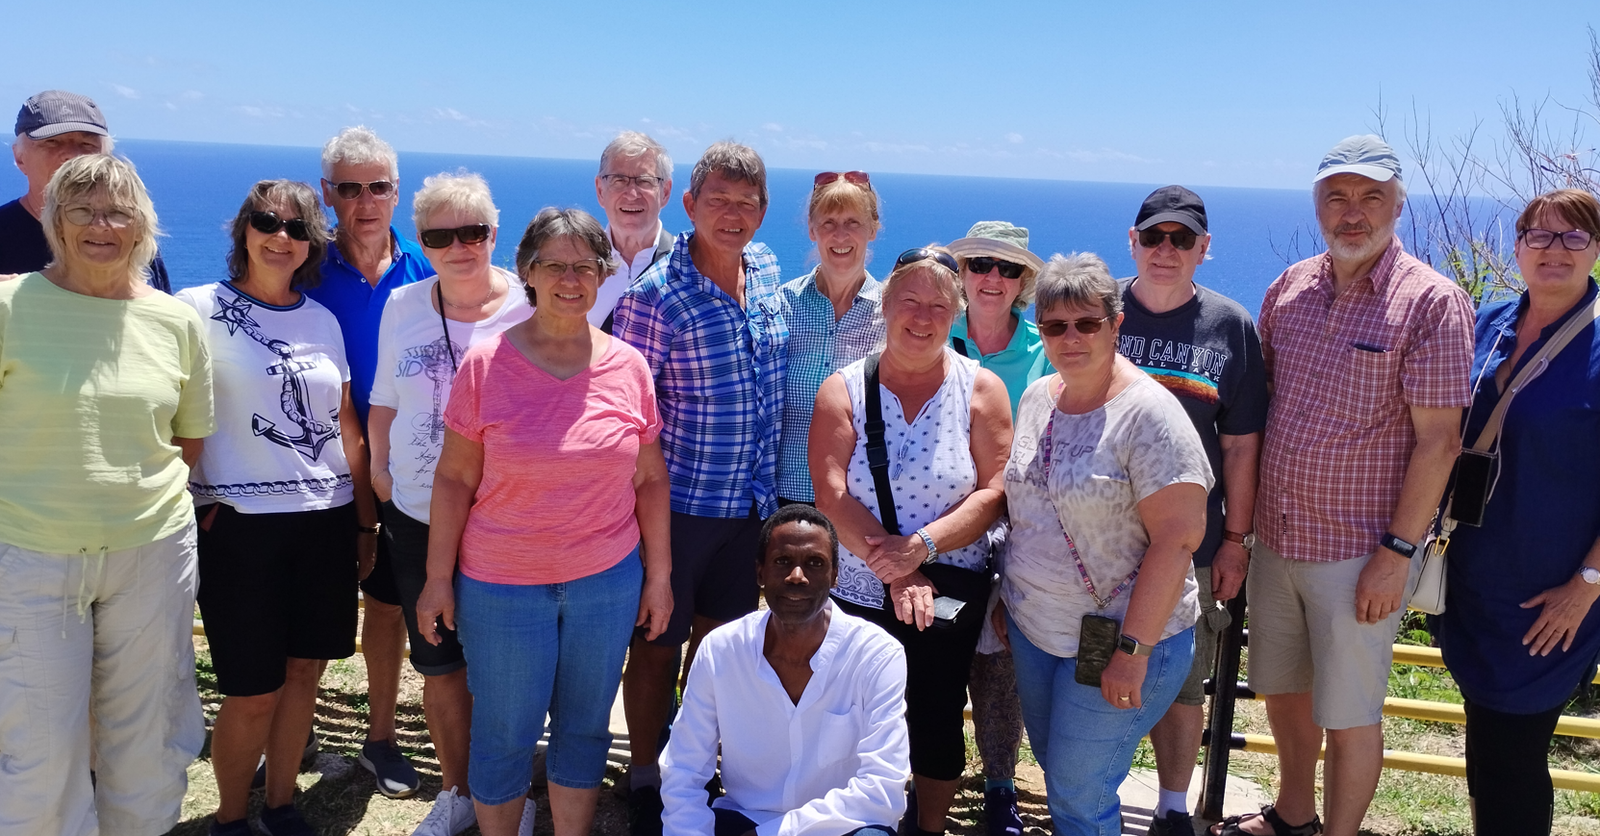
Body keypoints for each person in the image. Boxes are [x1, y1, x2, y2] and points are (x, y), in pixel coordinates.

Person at [1213, 135, 1474, 836]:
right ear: (1317, 205)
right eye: (1336, 197)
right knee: (1284, 694)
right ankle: (1294, 815)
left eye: (1369, 197)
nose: (1351, 212)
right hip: (1280, 541)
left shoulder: (1430, 302)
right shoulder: (1289, 289)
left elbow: (1440, 441)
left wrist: (1396, 552)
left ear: (1397, 204)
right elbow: (1257, 409)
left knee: (1352, 713)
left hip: (1360, 552)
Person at [416, 207, 673, 836]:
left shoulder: (629, 367)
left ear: (603, 275)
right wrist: (436, 578)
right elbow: (453, 478)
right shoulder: (485, 364)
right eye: (554, 264)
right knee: (504, 733)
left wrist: (658, 576)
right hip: (502, 585)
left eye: (586, 265)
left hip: (605, 581)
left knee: (584, 728)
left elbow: (649, 478)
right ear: (528, 271)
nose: (571, 278)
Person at [0, 153, 213, 835]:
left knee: (149, 740)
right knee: (38, 755)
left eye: (118, 210)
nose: (102, 224)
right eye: (82, 209)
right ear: (54, 221)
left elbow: (189, 440)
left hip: (151, 553)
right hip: (31, 554)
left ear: (142, 225)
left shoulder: (175, 322)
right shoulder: (8, 305)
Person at [178, 180, 377, 836]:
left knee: (302, 675)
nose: (281, 236)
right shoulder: (194, 309)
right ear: (243, 229)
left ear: (310, 243)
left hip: (324, 519)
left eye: (297, 228)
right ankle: (232, 818)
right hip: (238, 528)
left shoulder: (322, 320)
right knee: (252, 689)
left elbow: (345, 425)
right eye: (268, 221)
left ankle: (282, 805)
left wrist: (363, 521)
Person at [994, 252, 1211, 836]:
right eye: (1055, 325)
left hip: (1123, 637)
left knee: (1078, 793)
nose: (1070, 337)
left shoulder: (1149, 415)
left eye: (1087, 323)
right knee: (1060, 771)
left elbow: (1179, 538)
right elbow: (1029, 507)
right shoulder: (1040, 396)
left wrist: (1133, 652)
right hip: (1038, 628)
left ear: (1115, 325)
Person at [612, 141, 788, 836]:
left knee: (719, 647)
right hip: (679, 508)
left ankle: (697, 765)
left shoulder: (767, 269)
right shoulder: (652, 298)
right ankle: (646, 773)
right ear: (688, 205)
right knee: (656, 644)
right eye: (718, 199)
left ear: (763, 212)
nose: (733, 214)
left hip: (751, 506)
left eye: (747, 203)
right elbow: (630, 417)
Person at [810, 246, 1012, 836]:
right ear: (885, 307)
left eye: (937, 306)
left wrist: (919, 548)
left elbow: (994, 492)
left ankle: (926, 826)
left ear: (955, 314)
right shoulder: (843, 389)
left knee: (936, 708)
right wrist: (897, 570)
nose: (921, 318)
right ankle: (851, 821)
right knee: (849, 710)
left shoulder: (982, 390)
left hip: (948, 587)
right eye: (909, 301)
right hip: (859, 587)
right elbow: (830, 497)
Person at [368, 171, 533, 835]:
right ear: (424, 242)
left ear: (495, 233)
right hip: (414, 513)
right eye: (441, 235)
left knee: (506, 672)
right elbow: (383, 398)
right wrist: (379, 474)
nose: (460, 246)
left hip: (504, 519)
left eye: (474, 231)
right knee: (439, 664)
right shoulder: (403, 304)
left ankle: (508, 799)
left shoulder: (530, 306)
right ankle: (460, 790)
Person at [1437, 189, 1600, 835]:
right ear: (1517, 245)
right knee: (1486, 749)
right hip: (1475, 577)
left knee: (1513, 756)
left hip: (1551, 595)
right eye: (1539, 235)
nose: (1553, 250)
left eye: (1573, 237)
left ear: (1596, 248)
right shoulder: (1488, 320)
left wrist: (1586, 587)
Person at [1114, 186, 1268, 836]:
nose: (1166, 249)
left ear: (1204, 249)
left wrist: (1236, 540)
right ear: (1134, 242)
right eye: (1155, 237)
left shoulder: (1230, 326)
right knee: (1100, 674)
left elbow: (1240, 448)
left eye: (1182, 238)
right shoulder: (1100, 311)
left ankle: (1173, 808)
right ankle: (1095, 795)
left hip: (1192, 549)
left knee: (1181, 682)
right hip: (1103, 546)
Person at [305, 125, 435, 799]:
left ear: (396, 191)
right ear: (328, 193)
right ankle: (289, 729)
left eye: (377, 186)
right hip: (315, 471)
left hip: (399, 471)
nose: (364, 201)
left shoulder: (428, 271)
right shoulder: (301, 266)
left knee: (385, 609)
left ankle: (379, 737)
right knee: (304, 606)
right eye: (349, 188)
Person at [660, 505, 910, 836]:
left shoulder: (876, 655)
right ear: (760, 573)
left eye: (814, 563)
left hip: (837, 827)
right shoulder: (721, 650)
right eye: (782, 561)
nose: (796, 576)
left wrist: (772, 834)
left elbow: (882, 790)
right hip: (745, 817)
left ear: (835, 575)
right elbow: (683, 770)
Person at [943, 220, 1047, 836]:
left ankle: (1000, 785)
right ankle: (926, 771)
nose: (992, 277)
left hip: (1018, 530)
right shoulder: (934, 332)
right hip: (939, 525)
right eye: (981, 263)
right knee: (934, 653)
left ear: (1023, 282)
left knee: (999, 666)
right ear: (962, 273)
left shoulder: (1044, 347)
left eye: (1008, 269)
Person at [777, 170, 885, 506]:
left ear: (872, 229)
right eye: (829, 223)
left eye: (853, 222)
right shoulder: (782, 306)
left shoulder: (892, 316)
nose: (840, 235)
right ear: (812, 229)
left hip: (861, 506)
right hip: (785, 499)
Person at [2, 89, 171, 290]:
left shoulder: (123, 240)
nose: (72, 155)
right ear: (20, 157)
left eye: (87, 144)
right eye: (52, 142)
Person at [593, 131, 675, 331]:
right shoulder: (576, 266)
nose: (631, 194)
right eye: (618, 180)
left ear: (665, 192)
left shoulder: (686, 265)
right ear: (600, 190)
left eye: (645, 181)